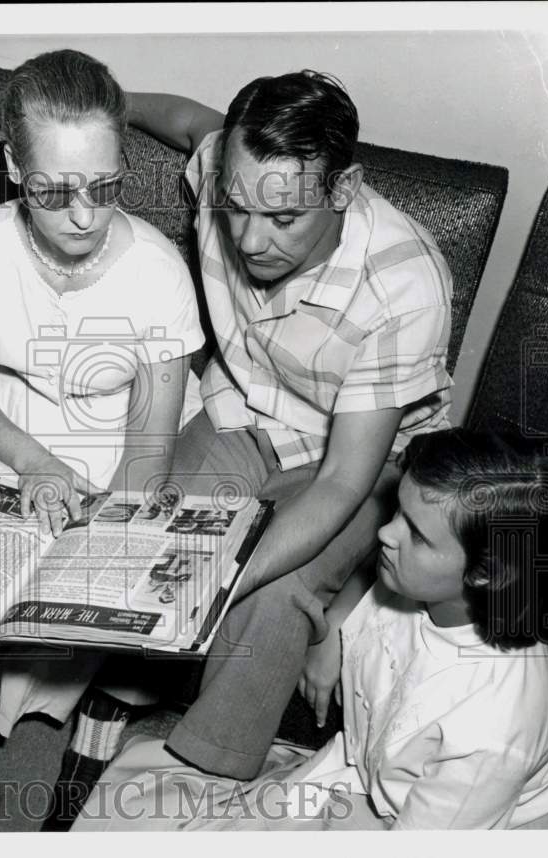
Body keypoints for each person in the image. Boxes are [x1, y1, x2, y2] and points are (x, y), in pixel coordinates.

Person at [0, 50, 205, 784]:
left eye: (105, 186)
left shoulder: (159, 276)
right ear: (14, 167)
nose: (84, 215)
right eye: (53, 192)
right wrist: (35, 463)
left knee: (34, 570)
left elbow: (148, 457)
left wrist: (94, 521)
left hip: (107, 434)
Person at [108, 70, 454, 788]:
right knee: (143, 536)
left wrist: (222, 577)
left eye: (283, 219)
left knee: (272, 594)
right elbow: (182, 118)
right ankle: (108, 710)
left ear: (345, 189)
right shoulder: (230, 165)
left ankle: (202, 780)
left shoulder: (406, 282)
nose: (249, 239)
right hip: (243, 408)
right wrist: (111, 101)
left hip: (358, 456)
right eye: (234, 208)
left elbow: (340, 484)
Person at [75, 428, 548, 830]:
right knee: (131, 804)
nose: (384, 532)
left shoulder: (494, 728)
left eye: (417, 535)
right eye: (398, 511)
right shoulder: (429, 588)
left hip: (417, 825)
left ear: (487, 572)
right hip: (356, 777)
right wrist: (338, 625)